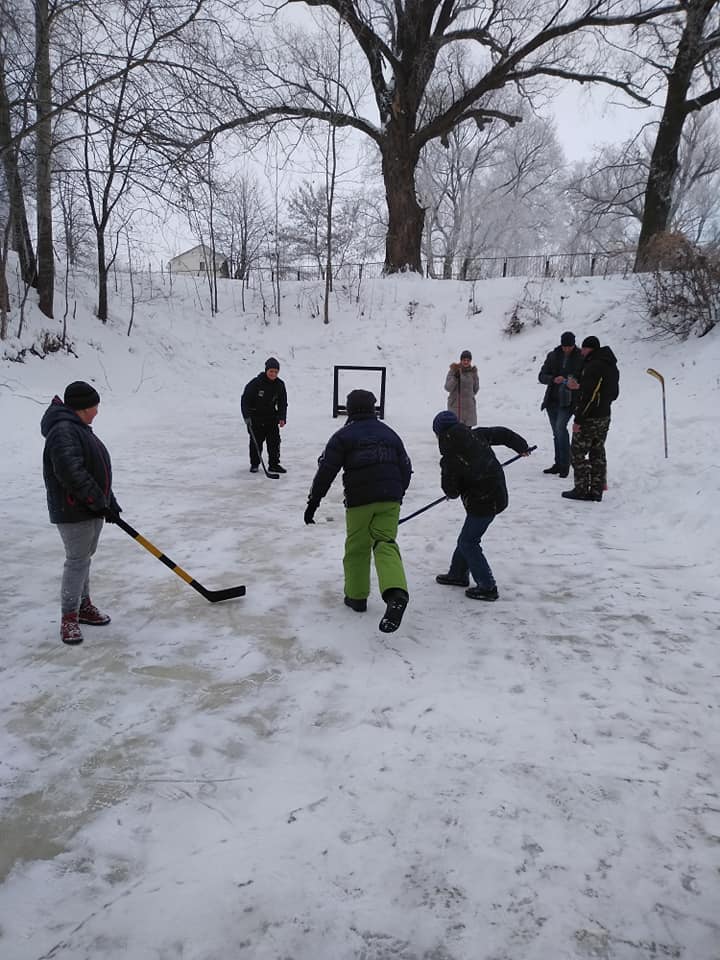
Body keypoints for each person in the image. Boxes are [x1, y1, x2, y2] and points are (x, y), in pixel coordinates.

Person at [304, 389, 412, 633]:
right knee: (385, 542)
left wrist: (313, 502)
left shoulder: (343, 436)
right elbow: (405, 466)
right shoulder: (390, 433)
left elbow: (326, 470)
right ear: (373, 408)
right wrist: (398, 494)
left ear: (350, 410)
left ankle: (356, 597)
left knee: (357, 548)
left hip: (361, 500)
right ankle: (396, 593)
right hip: (391, 498)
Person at [41, 381, 122, 645]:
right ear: (81, 407)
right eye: (94, 406)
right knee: (77, 560)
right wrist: (98, 501)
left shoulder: (77, 428)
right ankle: (69, 618)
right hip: (73, 508)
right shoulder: (63, 431)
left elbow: (94, 468)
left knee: (84, 558)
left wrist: (109, 500)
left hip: (89, 505)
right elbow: (71, 473)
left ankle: (83, 605)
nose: (97, 411)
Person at [432, 410, 531, 601]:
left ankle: (487, 586)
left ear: (439, 433)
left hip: (482, 503)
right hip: (497, 494)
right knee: (467, 537)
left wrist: (453, 487)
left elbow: (451, 491)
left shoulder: (450, 458)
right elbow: (502, 433)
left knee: (468, 542)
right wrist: (520, 446)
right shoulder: (477, 435)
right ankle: (458, 574)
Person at [562, 335, 620, 502]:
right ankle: (596, 490)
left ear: (590, 349)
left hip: (590, 418)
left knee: (577, 453)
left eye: (584, 348)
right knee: (598, 452)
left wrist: (578, 420)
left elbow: (589, 396)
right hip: (604, 415)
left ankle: (581, 489)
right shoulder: (611, 366)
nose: (582, 351)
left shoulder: (594, 366)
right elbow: (613, 394)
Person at [538, 331, 584, 478]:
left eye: (569, 346)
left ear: (573, 344)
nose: (566, 349)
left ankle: (565, 464)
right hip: (552, 399)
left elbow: (585, 378)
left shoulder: (580, 357)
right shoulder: (553, 356)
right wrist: (553, 379)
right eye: (564, 346)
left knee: (560, 428)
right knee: (556, 433)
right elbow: (542, 376)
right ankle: (558, 463)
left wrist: (575, 383)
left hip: (569, 401)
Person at [241, 357, 288, 473]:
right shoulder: (256, 383)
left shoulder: (280, 384)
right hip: (255, 419)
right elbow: (245, 400)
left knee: (274, 442)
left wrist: (282, 417)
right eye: (271, 371)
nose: (273, 374)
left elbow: (282, 402)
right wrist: (247, 417)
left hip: (271, 418)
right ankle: (255, 464)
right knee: (256, 442)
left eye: (276, 372)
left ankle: (274, 464)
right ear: (266, 370)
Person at [444, 349, 479, 426]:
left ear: (470, 361)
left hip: (469, 409)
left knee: (468, 434)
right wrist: (455, 378)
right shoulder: (454, 370)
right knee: (456, 432)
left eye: (468, 360)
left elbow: (475, 389)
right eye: (464, 360)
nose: (466, 362)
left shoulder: (473, 372)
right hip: (456, 408)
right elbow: (447, 387)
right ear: (461, 360)